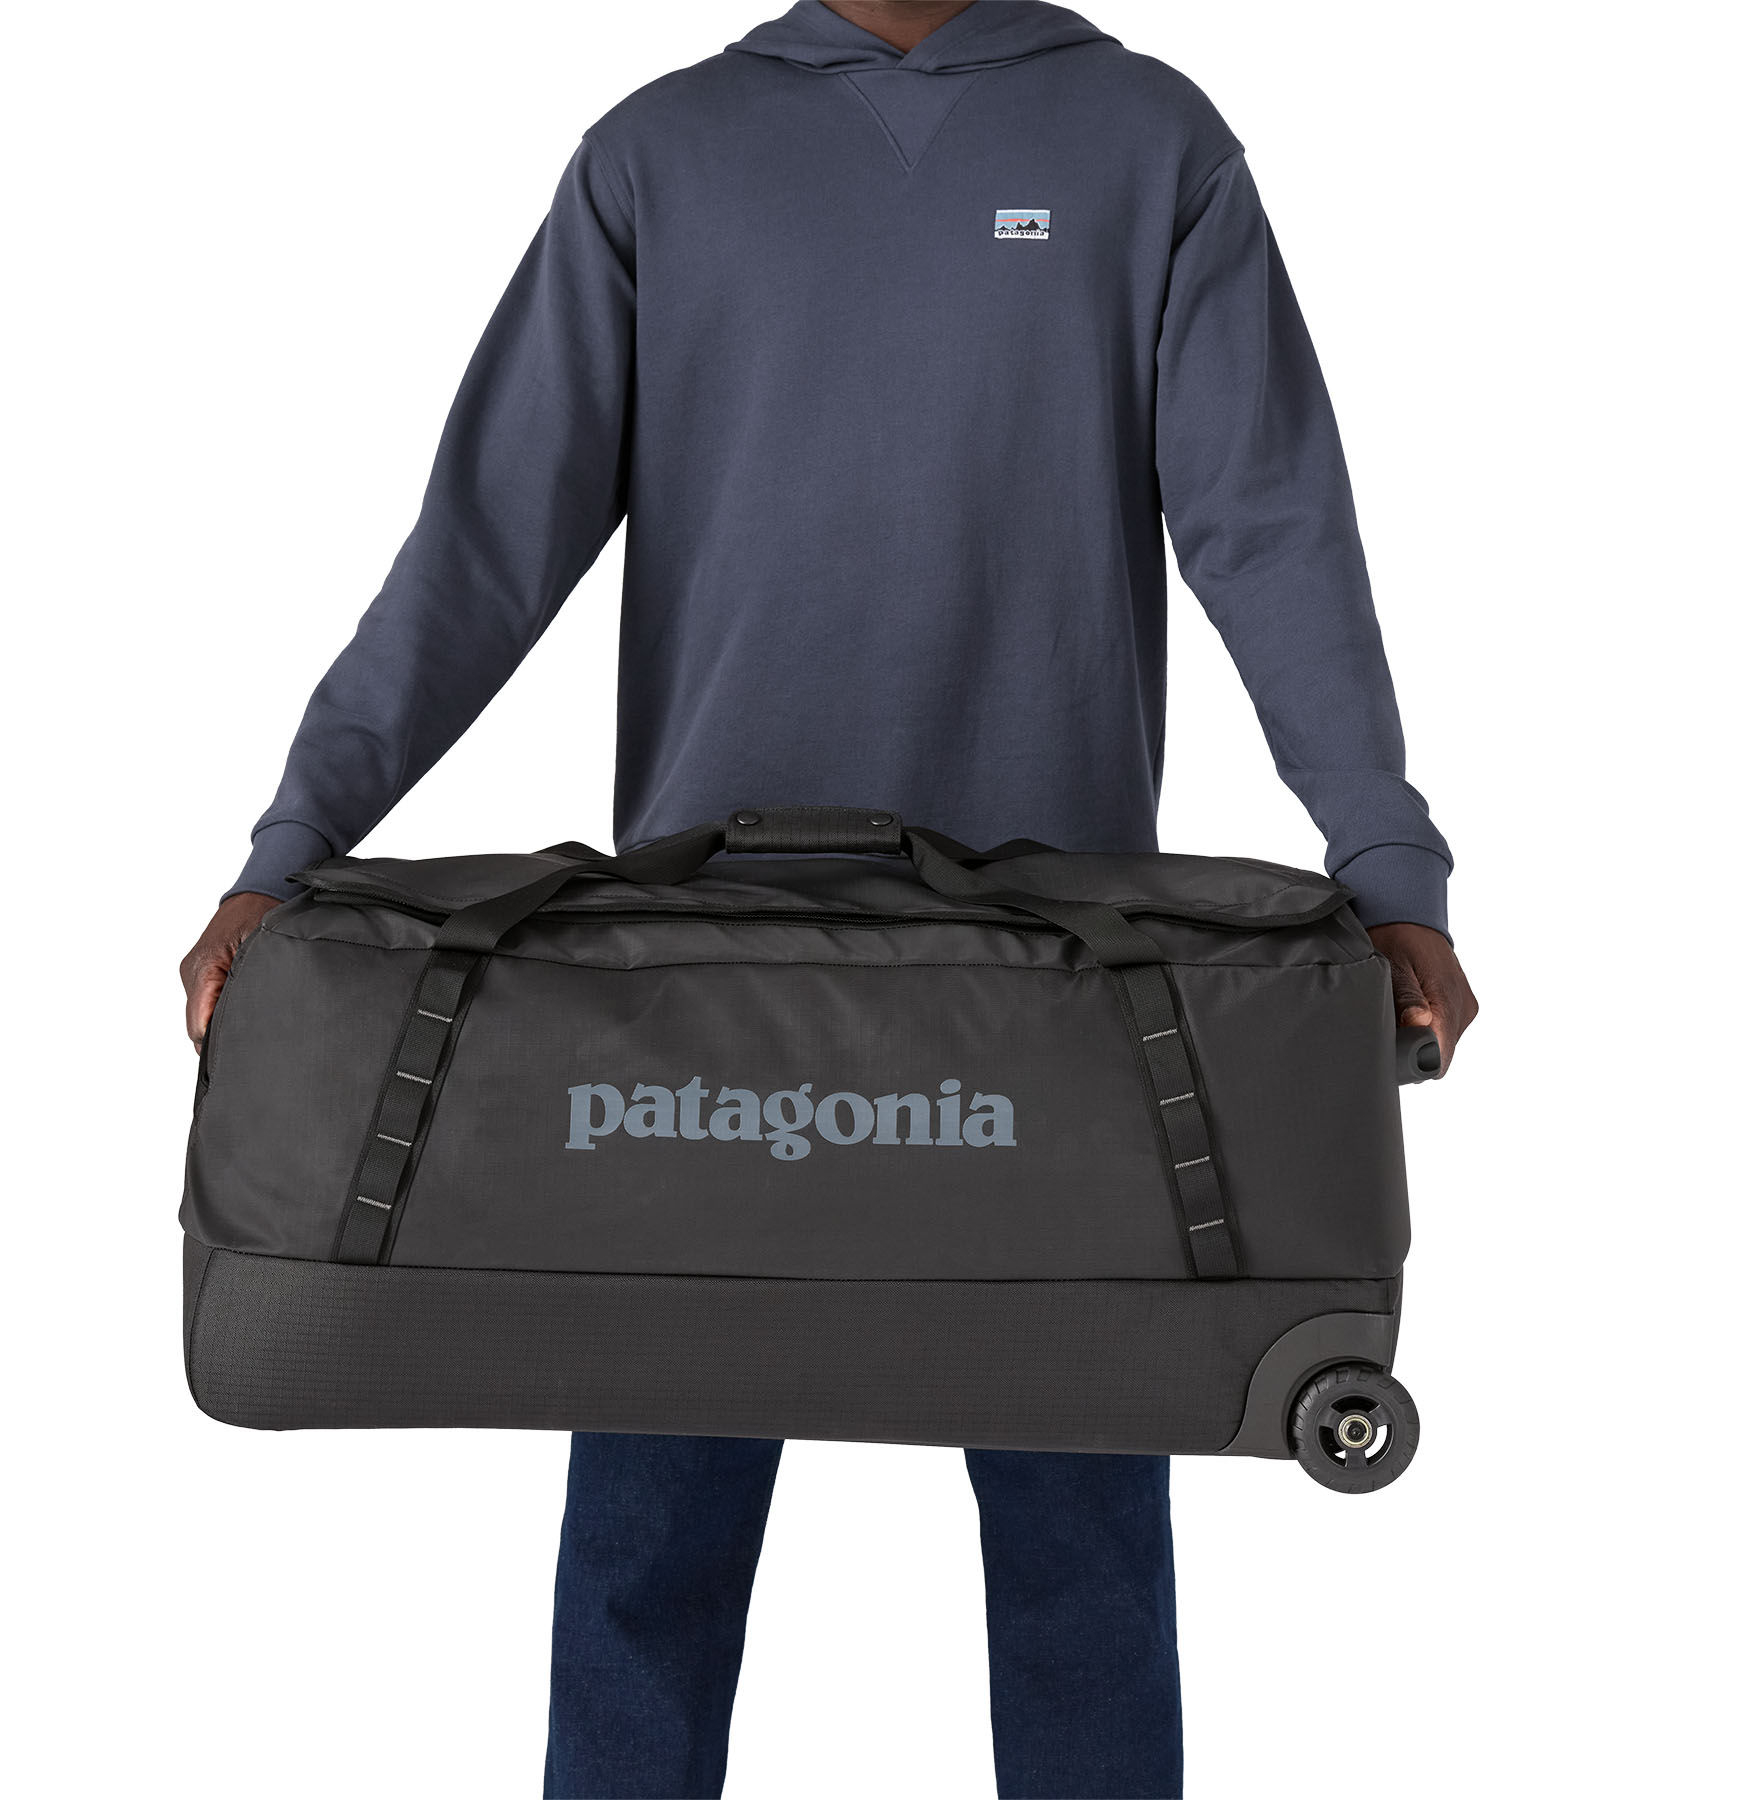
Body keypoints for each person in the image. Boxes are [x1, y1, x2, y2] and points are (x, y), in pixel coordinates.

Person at [180, 3, 1477, 1794]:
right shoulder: (661, 154)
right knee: (649, 1544)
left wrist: (1386, 866)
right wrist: (292, 849)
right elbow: (485, 544)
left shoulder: (1147, 142)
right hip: (701, 977)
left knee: (1084, 1550)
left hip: (1056, 987)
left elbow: (1270, 528)